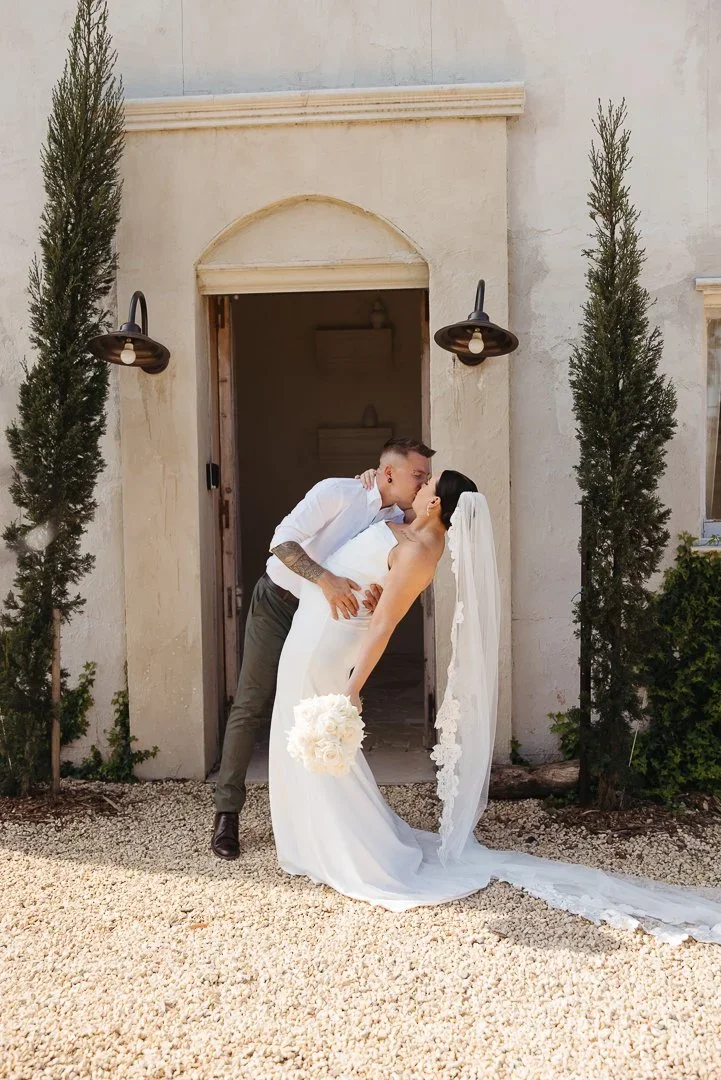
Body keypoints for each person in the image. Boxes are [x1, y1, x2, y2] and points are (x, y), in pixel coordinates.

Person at [268, 471, 721, 945]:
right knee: (298, 735)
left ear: (435, 506)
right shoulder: (407, 530)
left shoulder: (421, 551)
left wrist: (354, 687)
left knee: (314, 740)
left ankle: (342, 852)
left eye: (427, 484)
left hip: (326, 641)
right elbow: (373, 561)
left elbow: (383, 626)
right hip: (315, 625)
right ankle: (314, 843)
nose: (420, 485)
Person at [211, 436, 435, 859]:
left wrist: (368, 593)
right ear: (389, 473)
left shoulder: (394, 520)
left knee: (318, 711)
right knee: (252, 702)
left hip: (330, 621)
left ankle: (315, 820)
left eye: (425, 478)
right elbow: (281, 542)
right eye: (418, 475)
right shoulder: (337, 491)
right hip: (279, 604)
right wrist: (326, 580)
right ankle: (227, 814)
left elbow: (370, 567)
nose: (422, 484)